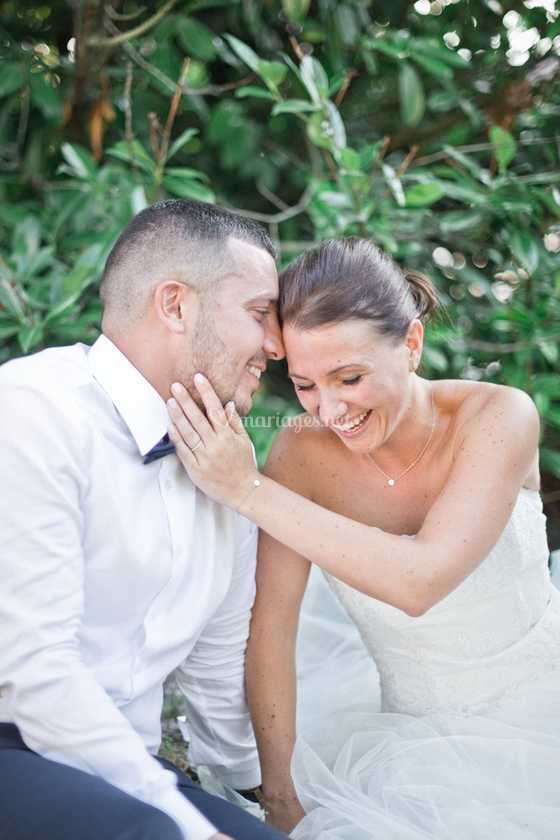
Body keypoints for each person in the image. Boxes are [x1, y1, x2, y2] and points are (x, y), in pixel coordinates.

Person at [166, 237, 560, 839]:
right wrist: (280, 793)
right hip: (403, 746)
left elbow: (420, 581)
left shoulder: (500, 417)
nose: (330, 410)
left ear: (411, 344)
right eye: (304, 385)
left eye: (349, 377)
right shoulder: (299, 452)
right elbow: (271, 629)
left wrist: (245, 488)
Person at [0, 199, 289, 840]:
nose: (276, 344)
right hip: (13, 740)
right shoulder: (32, 409)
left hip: (127, 767)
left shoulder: (227, 468)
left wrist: (264, 804)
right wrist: (185, 821)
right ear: (176, 305)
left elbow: (215, 677)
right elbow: (35, 671)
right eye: (259, 314)